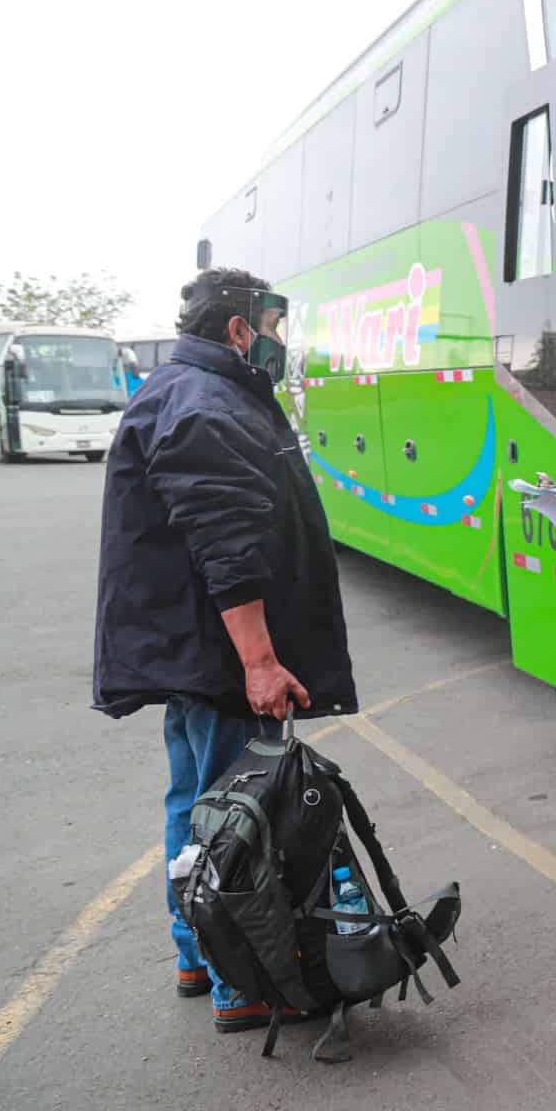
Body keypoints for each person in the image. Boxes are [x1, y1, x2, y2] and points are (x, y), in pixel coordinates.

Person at [92, 267, 358, 1032]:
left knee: (196, 801)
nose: (280, 340)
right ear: (239, 329)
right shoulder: (207, 402)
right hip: (219, 658)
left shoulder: (181, 388)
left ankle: (195, 950)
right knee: (234, 814)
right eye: (273, 325)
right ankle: (239, 980)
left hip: (191, 652)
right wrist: (261, 661)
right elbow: (227, 548)